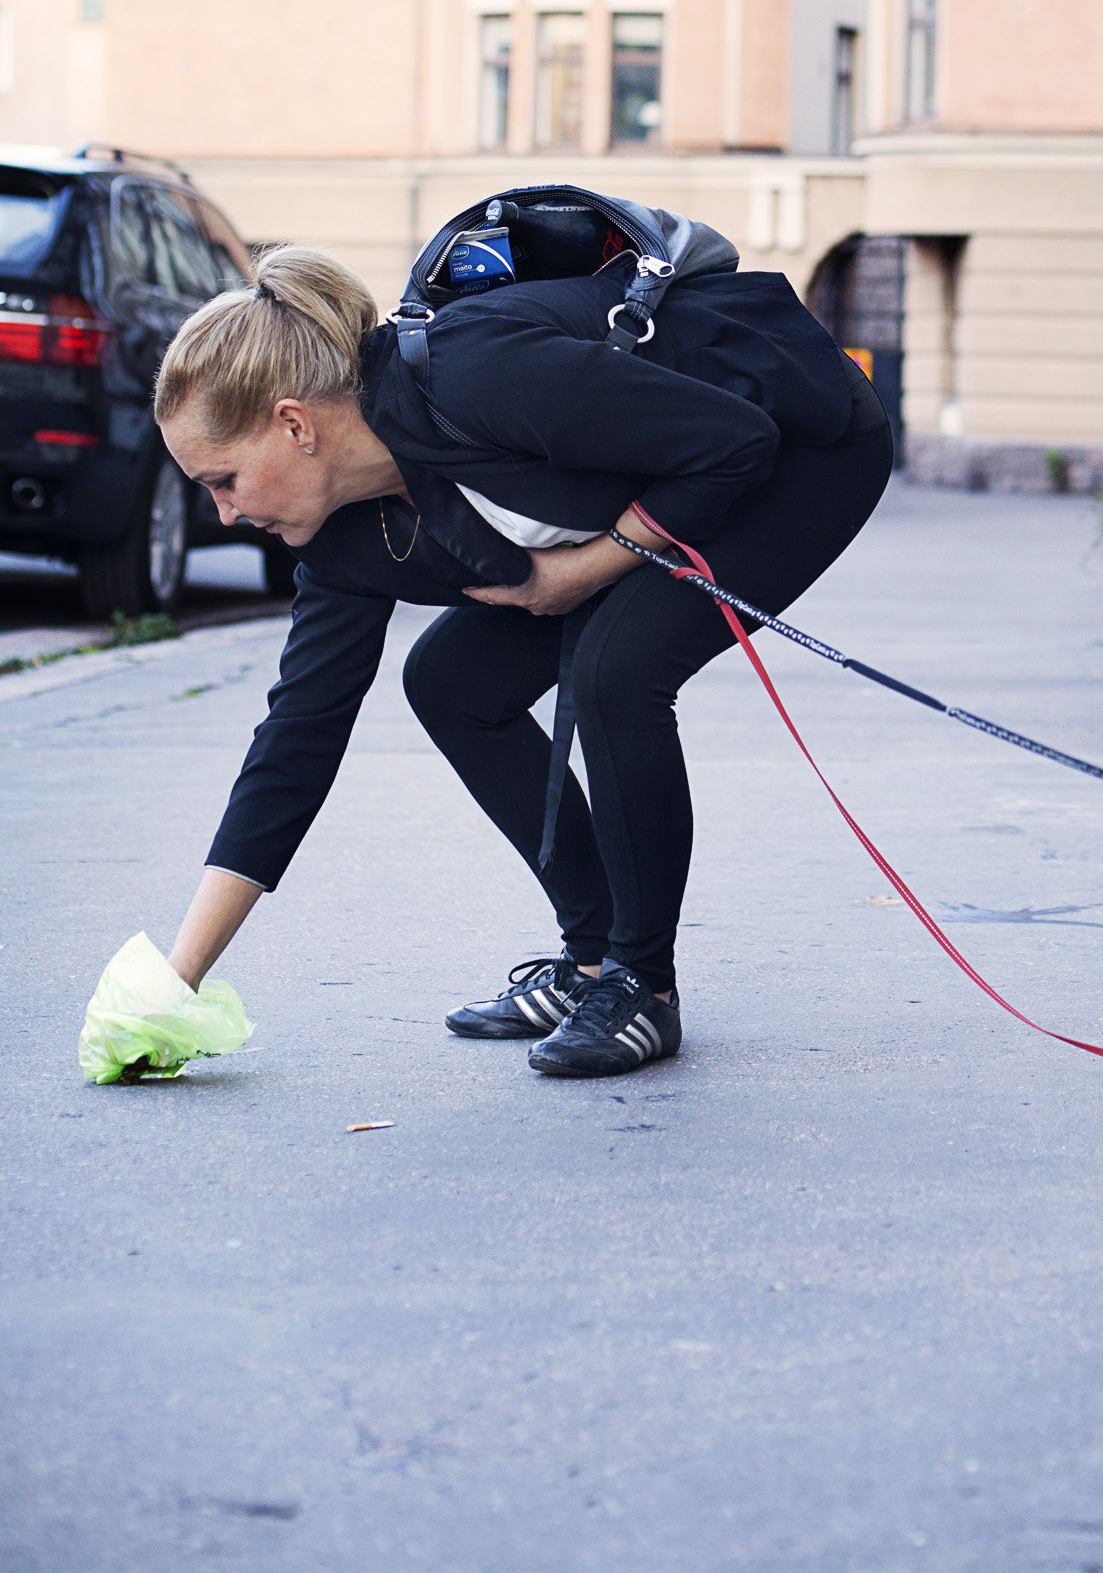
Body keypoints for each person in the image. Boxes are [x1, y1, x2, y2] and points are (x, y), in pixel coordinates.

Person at [153, 241, 893, 1080]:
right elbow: (297, 737)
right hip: (661, 483)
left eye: (224, 481)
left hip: (801, 447)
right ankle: (591, 965)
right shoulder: (340, 541)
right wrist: (178, 980)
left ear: (294, 424)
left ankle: (642, 988)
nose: (220, 515)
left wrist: (588, 568)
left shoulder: (475, 372)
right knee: (452, 683)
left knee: (618, 672)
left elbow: (735, 443)